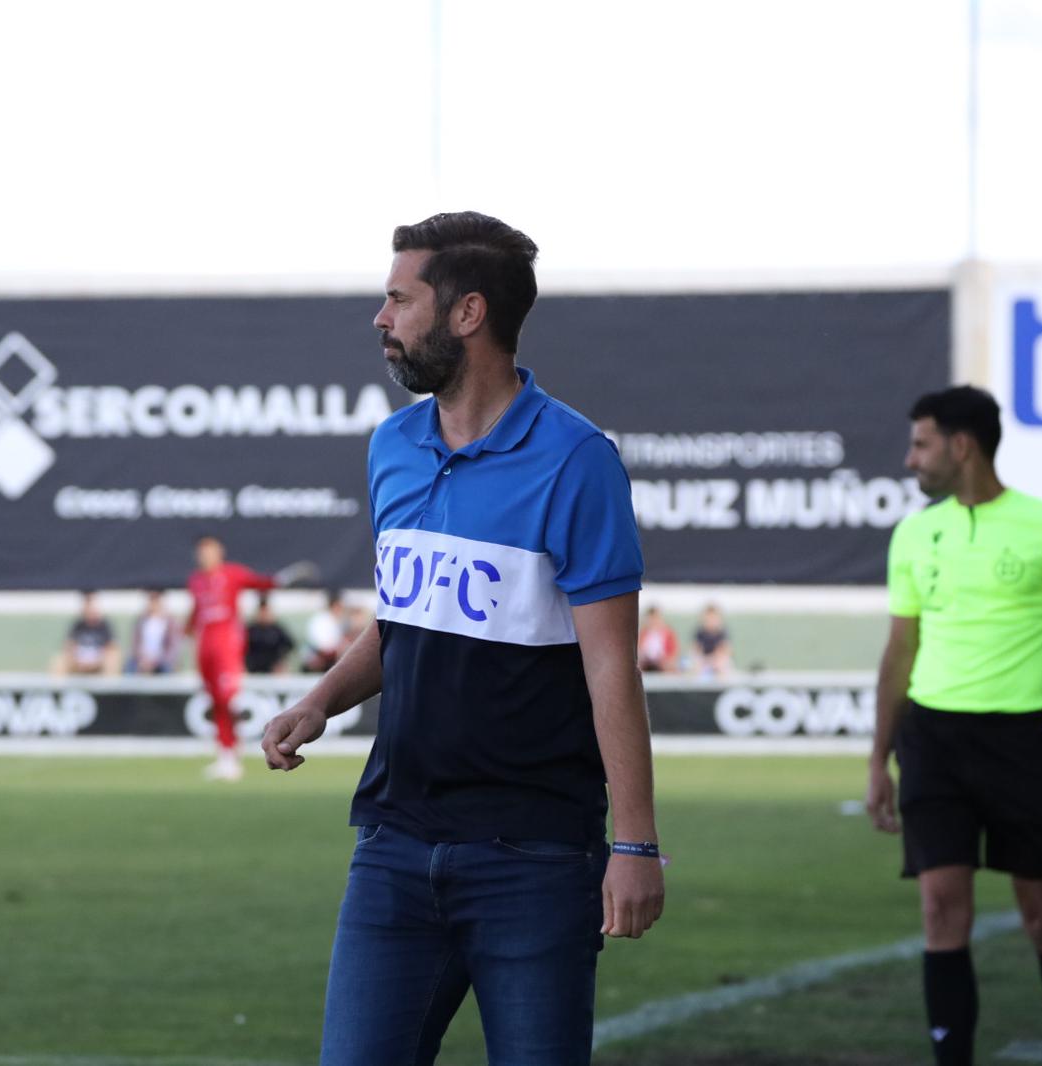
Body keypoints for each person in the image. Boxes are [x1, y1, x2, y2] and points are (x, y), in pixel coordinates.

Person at [261, 211, 664, 1065]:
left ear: (467, 314)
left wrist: (633, 843)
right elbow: (408, 619)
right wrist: (320, 699)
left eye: (399, 299)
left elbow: (610, 667)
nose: (382, 319)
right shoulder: (392, 448)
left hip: (536, 856)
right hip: (394, 844)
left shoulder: (576, 458)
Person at [866, 386, 1042, 1066]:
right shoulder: (915, 532)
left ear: (961, 445)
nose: (910, 457)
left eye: (921, 443)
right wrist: (878, 759)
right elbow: (900, 650)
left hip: (1020, 745)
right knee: (941, 913)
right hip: (932, 744)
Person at [187, 536, 279, 781]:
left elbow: (259, 582)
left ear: (219, 553)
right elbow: (196, 611)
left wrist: (277, 581)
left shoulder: (232, 574)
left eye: (209, 552)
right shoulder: (196, 581)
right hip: (204, 645)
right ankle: (225, 755)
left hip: (226, 644)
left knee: (228, 699)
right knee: (215, 700)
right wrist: (186, 630)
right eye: (201, 553)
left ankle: (234, 755)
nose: (205, 557)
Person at [59, 590, 118, 676]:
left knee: (112, 659)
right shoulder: (78, 625)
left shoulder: (104, 625)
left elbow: (111, 647)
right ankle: (57, 688)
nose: (89, 608)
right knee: (60, 661)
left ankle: (109, 688)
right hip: (79, 662)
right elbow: (68, 646)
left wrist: (96, 661)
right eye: (87, 604)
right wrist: (77, 660)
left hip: (98, 662)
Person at [129, 589, 179, 675]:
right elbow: (135, 645)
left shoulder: (170, 622)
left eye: (156, 599)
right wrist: (142, 659)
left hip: (162, 661)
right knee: (129, 667)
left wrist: (156, 661)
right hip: (142, 659)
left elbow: (172, 648)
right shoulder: (141, 621)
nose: (153, 602)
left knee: (166, 668)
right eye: (151, 599)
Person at [245, 594, 296, 674]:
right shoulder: (250, 630)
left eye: (266, 612)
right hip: (252, 668)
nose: (264, 615)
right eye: (262, 612)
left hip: (273, 669)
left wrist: (281, 662)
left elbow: (290, 645)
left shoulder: (277, 630)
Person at [303, 589, 345, 673]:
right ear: (335, 606)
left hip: (330, 660)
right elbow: (322, 647)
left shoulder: (337, 622)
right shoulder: (320, 620)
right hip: (317, 659)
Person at [691, 602, 733, 678]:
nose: (711, 622)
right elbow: (696, 650)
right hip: (703, 660)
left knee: (722, 663)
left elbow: (725, 651)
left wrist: (713, 660)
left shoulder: (722, 632)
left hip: (717, 660)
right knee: (695, 664)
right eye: (708, 619)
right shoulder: (700, 632)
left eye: (713, 619)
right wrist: (703, 660)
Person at [637, 605, 679, 672]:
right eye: (651, 618)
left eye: (655, 618)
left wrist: (665, 659)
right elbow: (638, 651)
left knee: (669, 667)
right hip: (646, 663)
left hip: (663, 663)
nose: (653, 621)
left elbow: (673, 653)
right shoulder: (643, 633)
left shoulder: (668, 633)